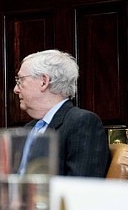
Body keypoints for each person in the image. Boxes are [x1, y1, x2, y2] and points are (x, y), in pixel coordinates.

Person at [14, 49, 110, 177]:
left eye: (20, 81)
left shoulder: (82, 123)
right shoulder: (29, 128)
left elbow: (80, 186)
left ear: (44, 81)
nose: (15, 89)